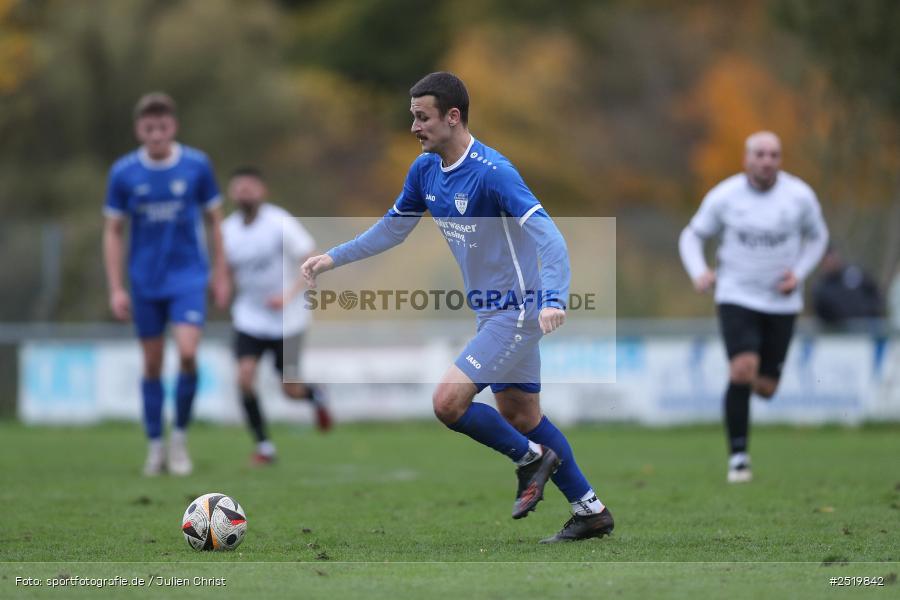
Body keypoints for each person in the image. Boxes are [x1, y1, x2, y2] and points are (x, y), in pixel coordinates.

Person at [301, 72, 613, 543]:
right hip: (493, 314)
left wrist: (553, 298)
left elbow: (550, 237)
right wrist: (333, 257)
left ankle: (531, 459)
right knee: (523, 417)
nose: (414, 128)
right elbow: (392, 229)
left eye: (422, 118)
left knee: (447, 402)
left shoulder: (494, 173)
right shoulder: (424, 171)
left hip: (518, 312)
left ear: (452, 117)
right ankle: (590, 510)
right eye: (412, 117)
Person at [678, 131, 829, 483]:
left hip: (781, 300)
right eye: (759, 154)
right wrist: (699, 272)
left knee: (765, 387)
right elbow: (692, 235)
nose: (766, 160)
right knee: (742, 370)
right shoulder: (725, 196)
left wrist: (800, 273)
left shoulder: (799, 196)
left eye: (773, 154)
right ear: (747, 159)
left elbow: (819, 236)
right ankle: (739, 458)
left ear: (780, 159)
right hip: (736, 295)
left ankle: (754, 400)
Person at [103, 92, 229, 477]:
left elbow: (215, 221)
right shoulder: (123, 172)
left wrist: (220, 272)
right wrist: (116, 287)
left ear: (173, 127)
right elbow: (113, 231)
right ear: (139, 130)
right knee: (153, 363)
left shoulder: (196, 165)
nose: (156, 134)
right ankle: (155, 446)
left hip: (188, 277)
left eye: (162, 127)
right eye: (148, 128)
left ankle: (179, 441)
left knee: (189, 354)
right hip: (144, 281)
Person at [222, 166, 331, 466]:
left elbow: (311, 257)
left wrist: (289, 295)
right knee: (244, 377)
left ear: (262, 191)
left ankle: (315, 395)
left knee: (290, 391)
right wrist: (220, 287)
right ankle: (264, 446)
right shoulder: (227, 230)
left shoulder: (279, 222)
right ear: (232, 193)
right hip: (250, 318)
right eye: (239, 187)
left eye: (250, 187)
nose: (245, 192)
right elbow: (224, 270)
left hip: (289, 320)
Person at [812, 244, 882, 331]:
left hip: (867, 330)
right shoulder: (821, 288)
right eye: (826, 259)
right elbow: (823, 315)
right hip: (841, 335)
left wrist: (872, 312)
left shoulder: (855, 273)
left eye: (832, 256)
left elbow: (874, 292)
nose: (830, 261)